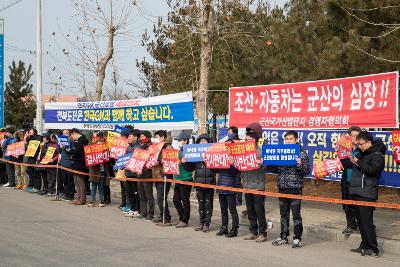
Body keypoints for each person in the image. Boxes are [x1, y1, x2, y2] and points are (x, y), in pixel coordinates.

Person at [269, 130, 310, 248]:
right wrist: (267, 162)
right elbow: (275, 169)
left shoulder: (301, 154)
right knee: (283, 215)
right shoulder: (281, 153)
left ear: (296, 140)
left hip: (295, 189)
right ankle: (283, 237)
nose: (288, 141)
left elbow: (306, 171)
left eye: (291, 139)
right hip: (282, 188)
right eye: (287, 139)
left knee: (296, 215)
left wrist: (300, 164)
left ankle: (297, 238)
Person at [349, 131, 385, 257]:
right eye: (358, 144)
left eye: (361, 144)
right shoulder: (362, 153)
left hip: (367, 192)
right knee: (361, 222)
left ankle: (373, 248)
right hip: (357, 191)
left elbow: (372, 170)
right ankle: (365, 245)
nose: (359, 146)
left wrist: (358, 162)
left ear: (369, 142)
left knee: (367, 222)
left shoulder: (378, 155)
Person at [183, 134, 216, 233]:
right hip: (198, 182)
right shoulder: (195, 155)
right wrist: (185, 162)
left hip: (210, 182)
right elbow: (190, 168)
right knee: (201, 203)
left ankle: (207, 224)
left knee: (208, 204)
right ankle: (201, 222)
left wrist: (209, 160)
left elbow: (217, 168)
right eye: (201, 141)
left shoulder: (213, 154)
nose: (203, 143)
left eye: (205, 141)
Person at [241, 123, 268, 242]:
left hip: (257, 186)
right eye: (245, 139)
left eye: (249, 140)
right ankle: (253, 231)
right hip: (246, 185)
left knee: (259, 211)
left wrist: (262, 164)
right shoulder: (242, 151)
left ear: (255, 140)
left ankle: (263, 233)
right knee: (250, 210)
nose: (246, 141)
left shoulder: (261, 151)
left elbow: (267, 167)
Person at [215, 139, 241, 238]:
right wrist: (208, 163)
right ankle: (224, 227)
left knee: (232, 209)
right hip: (221, 185)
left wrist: (232, 164)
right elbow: (215, 170)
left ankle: (234, 229)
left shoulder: (237, 158)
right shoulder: (221, 156)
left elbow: (236, 172)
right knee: (223, 209)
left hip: (231, 187)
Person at [339, 126, 361, 235]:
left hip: (360, 181)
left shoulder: (363, 149)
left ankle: (363, 225)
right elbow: (343, 163)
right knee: (347, 203)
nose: (355, 138)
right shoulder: (343, 149)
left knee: (360, 205)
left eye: (357, 136)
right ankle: (351, 225)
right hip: (346, 179)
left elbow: (361, 164)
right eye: (353, 136)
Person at [173, 132, 194, 228]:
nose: (179, 142)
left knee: (185, 201)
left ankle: (185, 220)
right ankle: (181, 218)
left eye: (180, 140)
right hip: (177, 178)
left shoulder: (190, 151)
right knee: (176, 200)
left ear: (186, 141)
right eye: (178, 140)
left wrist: (182, 162)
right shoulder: (178, 151)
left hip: (186, 179)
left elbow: (191, 167)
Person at [152, 130, 173, 225]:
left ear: (163, 138)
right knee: (159, 197)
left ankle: (166, 217)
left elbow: (170, 161)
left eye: (157, 137)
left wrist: (159, 162)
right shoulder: (155, 147)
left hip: (165, 175)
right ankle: (162, 215)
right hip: (157, 175)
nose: (156, 139)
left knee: (162, 197)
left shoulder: (168, 147)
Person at [65, 128, 89, 205]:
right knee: (76, 182)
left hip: (80, 163)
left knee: (80, 182)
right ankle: (78, 197)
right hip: (75, 163)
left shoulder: (82, 140)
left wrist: (69, 150)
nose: (71, 137)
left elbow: (78, 151)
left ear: (74, 133)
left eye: (71, 135)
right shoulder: (76, 141)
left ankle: (82, 199)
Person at [136, 130, 155, 221]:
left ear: (148, 137)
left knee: (149, 195)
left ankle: (150, 214)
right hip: (139, 174)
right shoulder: (140, 147)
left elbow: (152, 160)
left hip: (147, 174)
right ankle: (143, 212)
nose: (141, 138)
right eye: (140, 137)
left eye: (143, 136)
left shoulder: (152, 147)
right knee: (141, 195)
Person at [123, 129, 141, 217]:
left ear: (136, 137)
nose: (128, 138)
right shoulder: (129, 147)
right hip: (128, 173)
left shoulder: (139, 147)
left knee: (136, 192)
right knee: (129, 192)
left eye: (130, 136)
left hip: (134, 174)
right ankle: (132, 208)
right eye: (128, 136)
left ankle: (137, 209)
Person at [88, 133, 109, 207]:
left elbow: (107, 158)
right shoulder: (92, 146)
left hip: (102, 170)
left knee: (100, 186)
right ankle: (93, 200)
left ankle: (100, 201)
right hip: (94, 169)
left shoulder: (106, 147)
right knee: (94, 186)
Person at [59, 129, 75, 201]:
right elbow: (59, 151)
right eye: (63, 133)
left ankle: (70, 195)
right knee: (64, 179)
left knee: (70, 180)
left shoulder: (71, 141)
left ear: (69, 134)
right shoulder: (61, 142)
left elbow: (72, 151)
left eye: (66, 133)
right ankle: (66, 193)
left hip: (69, 163)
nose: (64, 135)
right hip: (63, 162)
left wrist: (65, 148)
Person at [25, 128, 42, 193]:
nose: (30, 132)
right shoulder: (28, 138)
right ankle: (31, 185)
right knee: (30, 173)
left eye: (32, 131)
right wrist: (27, 137)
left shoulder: (38, 137)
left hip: (35, 158)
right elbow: (26, 146)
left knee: (36, 173)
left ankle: (37, 187)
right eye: (29, 131)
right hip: (30, 157)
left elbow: (38, 145)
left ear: (35, 132)